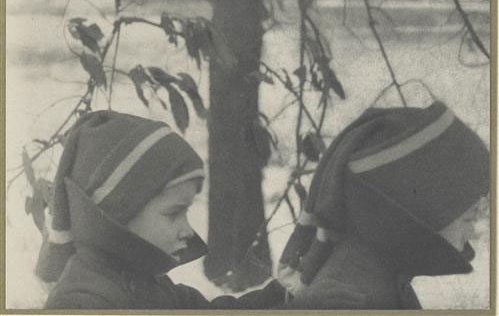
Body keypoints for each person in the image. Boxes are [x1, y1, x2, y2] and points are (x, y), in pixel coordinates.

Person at [36, 110, 357, 309]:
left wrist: (283, 300)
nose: (187, 229)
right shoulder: (85, 300)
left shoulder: (145, 280)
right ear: (118, 212)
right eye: (174, 213)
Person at [278, 100, 489, 310]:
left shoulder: (381, 274)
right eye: (469, 217)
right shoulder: (352, 294)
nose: (474, 232)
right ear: (423, 208)